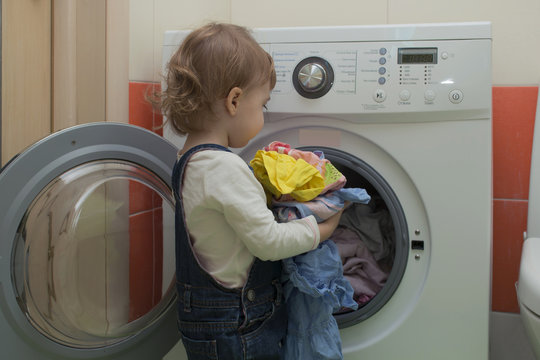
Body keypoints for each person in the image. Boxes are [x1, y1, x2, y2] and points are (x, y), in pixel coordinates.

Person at [158, 22, 344, 359]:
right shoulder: (224, 167)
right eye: (263, 106)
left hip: (209, 322)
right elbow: (269, 242)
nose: (262, 115)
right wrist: (320, 229)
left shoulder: (188, 159)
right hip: (239, 327)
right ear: (234, 100)